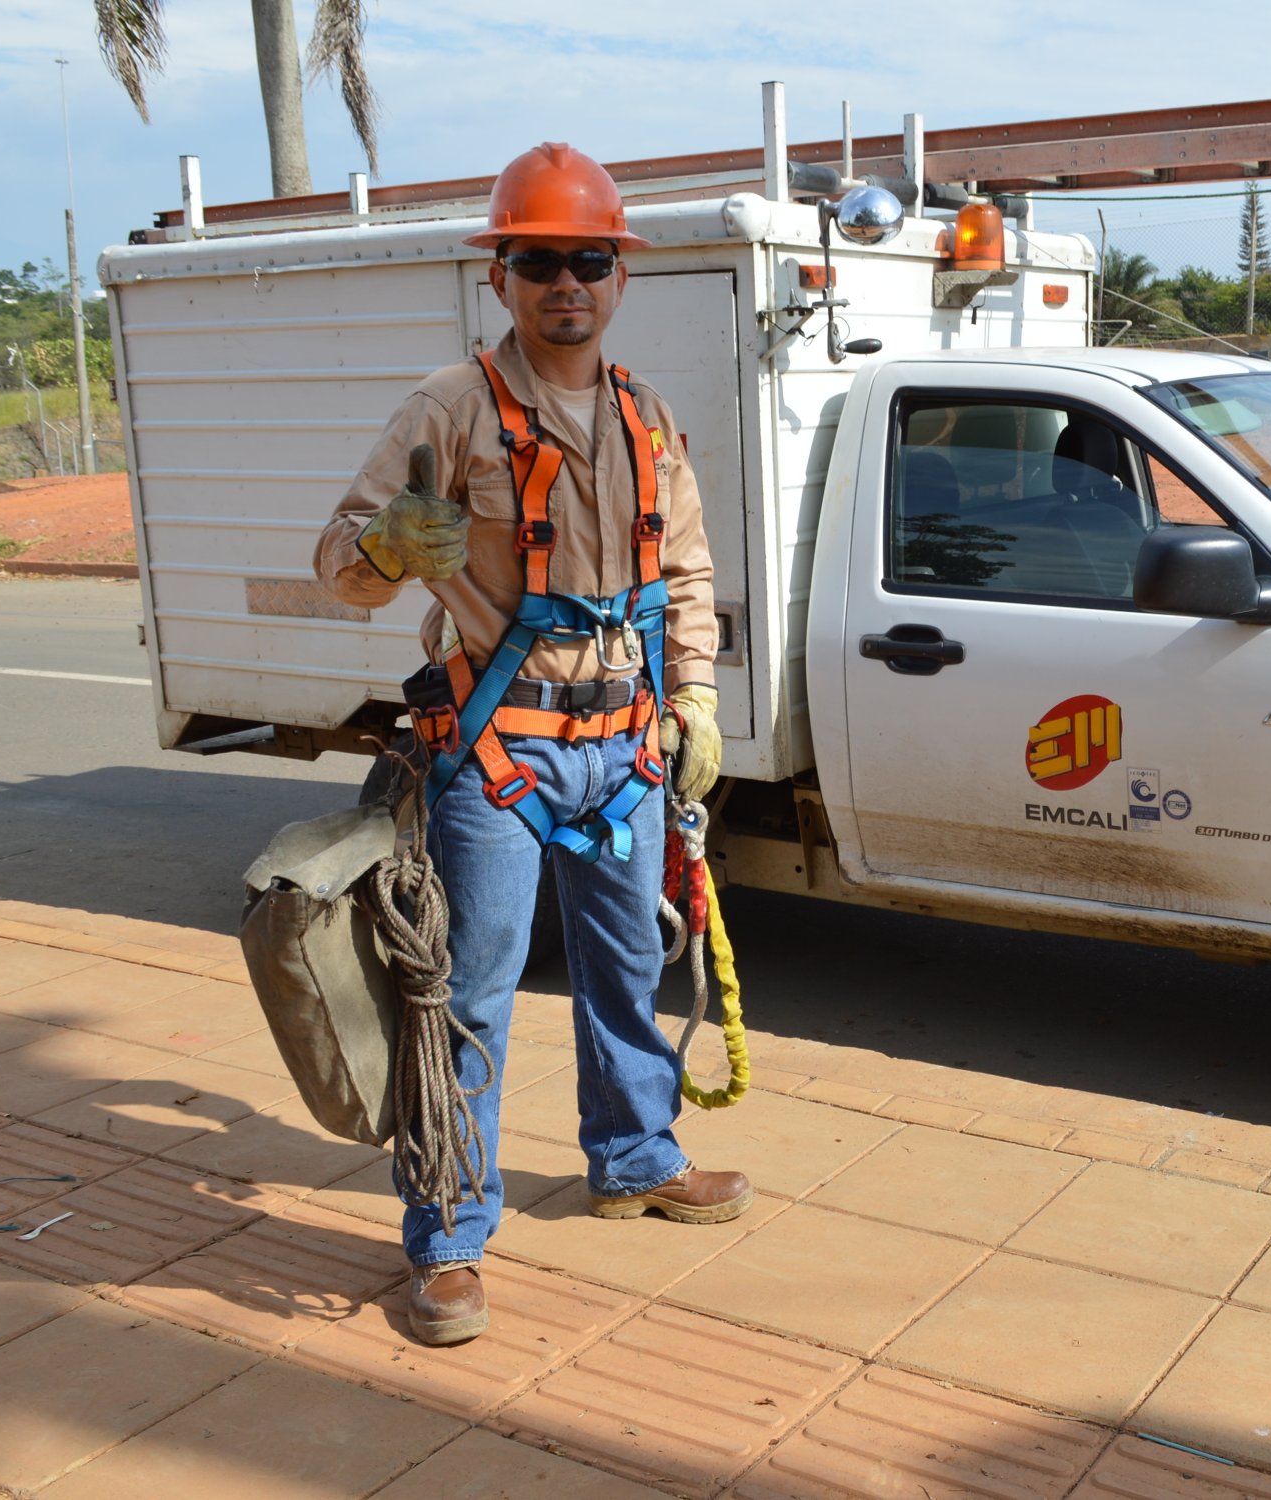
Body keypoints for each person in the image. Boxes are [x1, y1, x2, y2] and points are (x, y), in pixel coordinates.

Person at [313, 142, 748, 1348]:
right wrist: (396, 545)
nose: (568, 281)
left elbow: (689, 572)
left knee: (625, 974)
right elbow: (340, 564)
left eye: (589, 260)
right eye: (540, 260)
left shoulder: (643, 413)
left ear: (620, 277)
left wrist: (695, 701)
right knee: (467, 996)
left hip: (625, 749)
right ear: (500, 277)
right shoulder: (450, 410)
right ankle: (448, 1234)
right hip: (497, 752)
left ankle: (634, 1156)